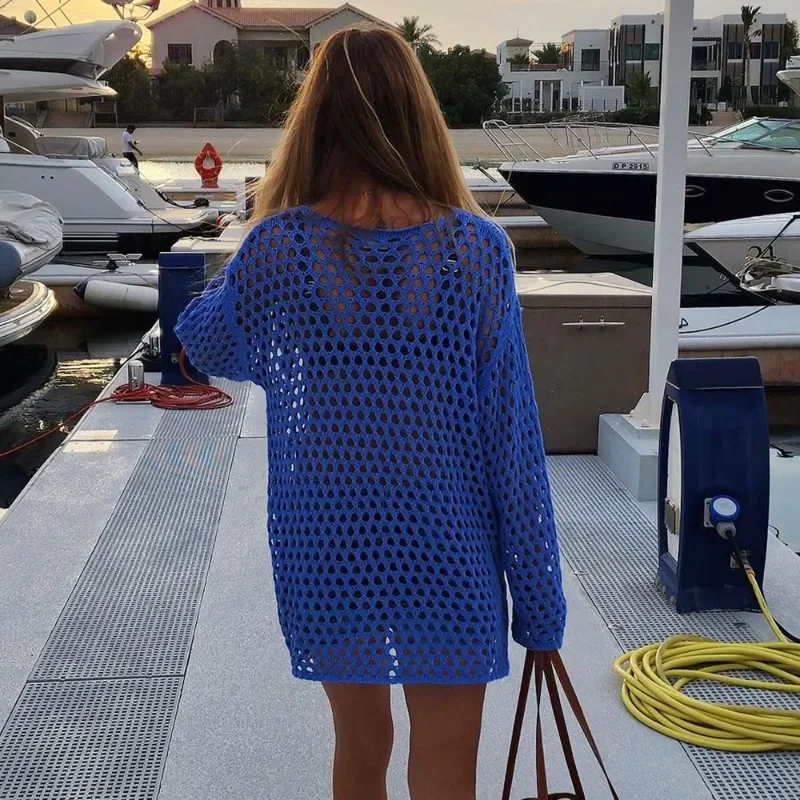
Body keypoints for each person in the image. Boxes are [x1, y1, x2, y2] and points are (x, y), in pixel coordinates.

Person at [175, 24, 566, 800]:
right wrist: (540, 607)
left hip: (328, 533)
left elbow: (204, 339)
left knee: (359, 741)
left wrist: (261, 228)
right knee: (446, 758)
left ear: (314, 122)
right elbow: (512, 444)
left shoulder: (279, 247)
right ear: (418, 117)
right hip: (445, 533)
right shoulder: (475, 250)